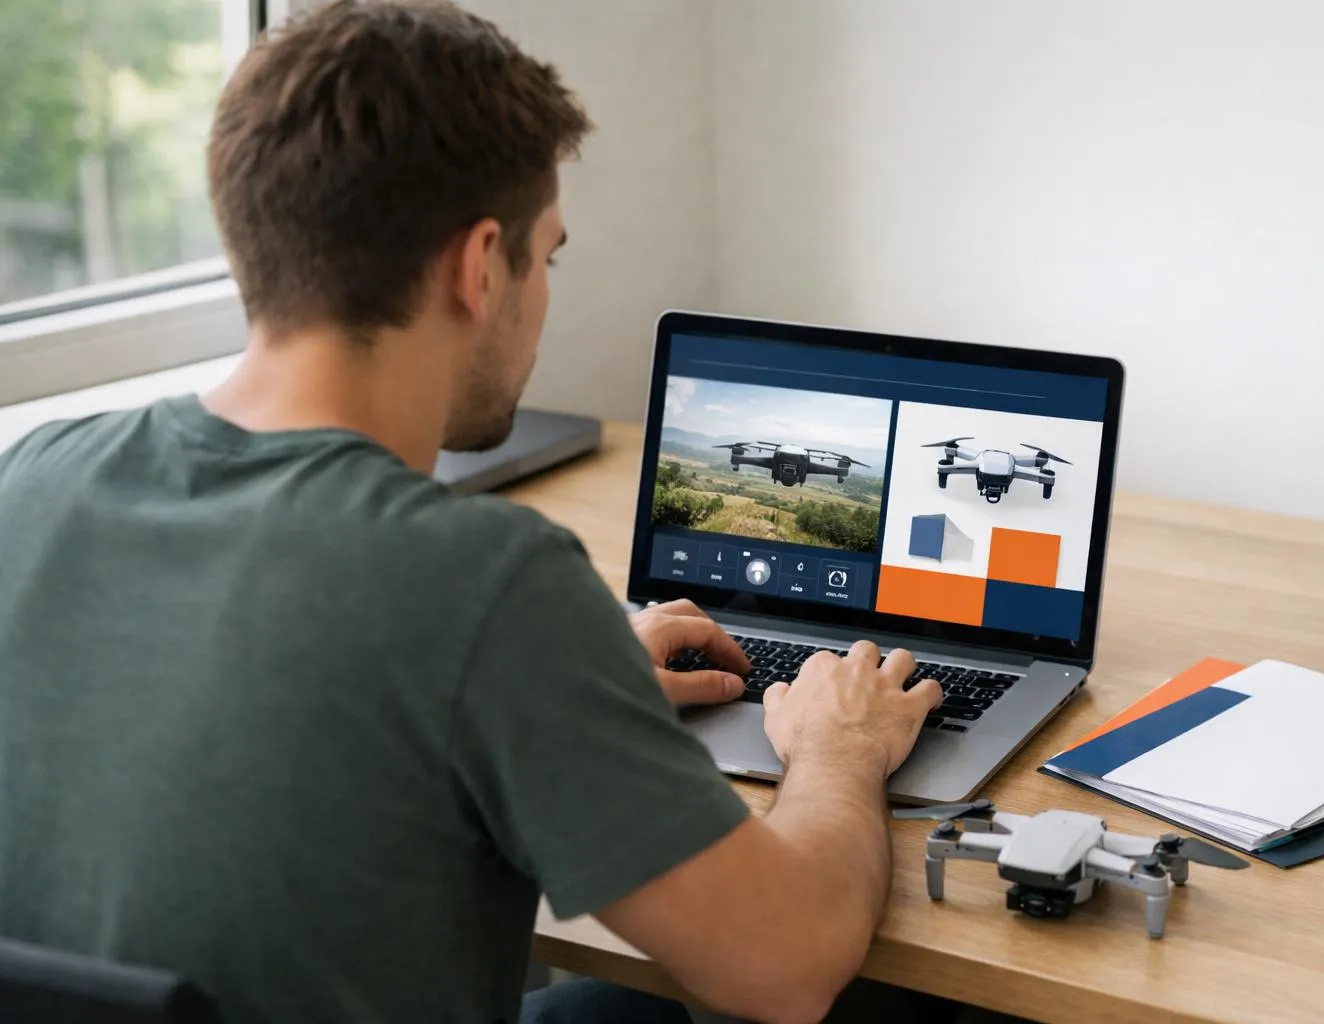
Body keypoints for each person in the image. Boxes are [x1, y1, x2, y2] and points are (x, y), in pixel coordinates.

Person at [0, 2, 948, 1023]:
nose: (543, 292)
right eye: (548, 256)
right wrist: (840, 749)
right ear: (477, 264)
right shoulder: (483, 584)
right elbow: (791, 961)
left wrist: (577, 682)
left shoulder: (32, 481)